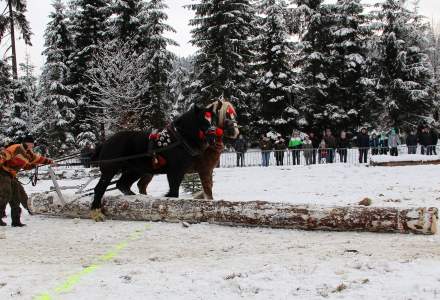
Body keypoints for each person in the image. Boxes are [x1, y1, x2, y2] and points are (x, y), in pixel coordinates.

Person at [0, 135, 54, 227]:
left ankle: (16, 221)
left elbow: (37, 159)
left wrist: (50, 162)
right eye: (32, 144)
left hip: (12, 175)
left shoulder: (28, 153)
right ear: (27, 143)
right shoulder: (15, 148)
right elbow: (3, 156)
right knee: (6, 194)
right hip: (2, 172)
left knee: (16, 196)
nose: (33, 146)